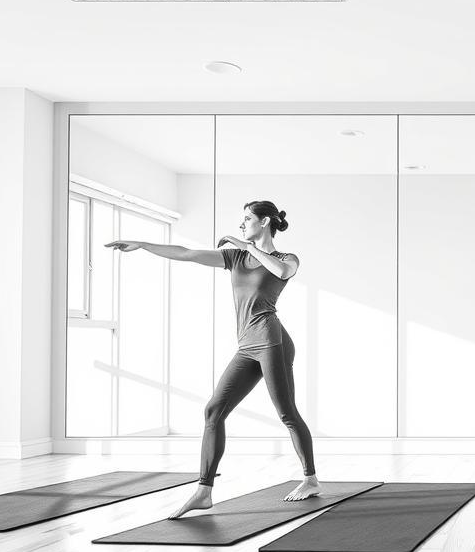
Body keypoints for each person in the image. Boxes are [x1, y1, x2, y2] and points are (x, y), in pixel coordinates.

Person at [105, 200, 319, 518]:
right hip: (246, 345)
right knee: (214, 410)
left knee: (286, 412)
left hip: (270, 342)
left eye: (247, 219)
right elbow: (187, 254)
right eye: (241, 220)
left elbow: (282, 271)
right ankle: (203, 491)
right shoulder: (235, 257)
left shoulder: (285, 258)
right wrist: (143, 244)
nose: (241, 224)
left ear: (264, 222)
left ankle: (310, 480)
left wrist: (245, 245)